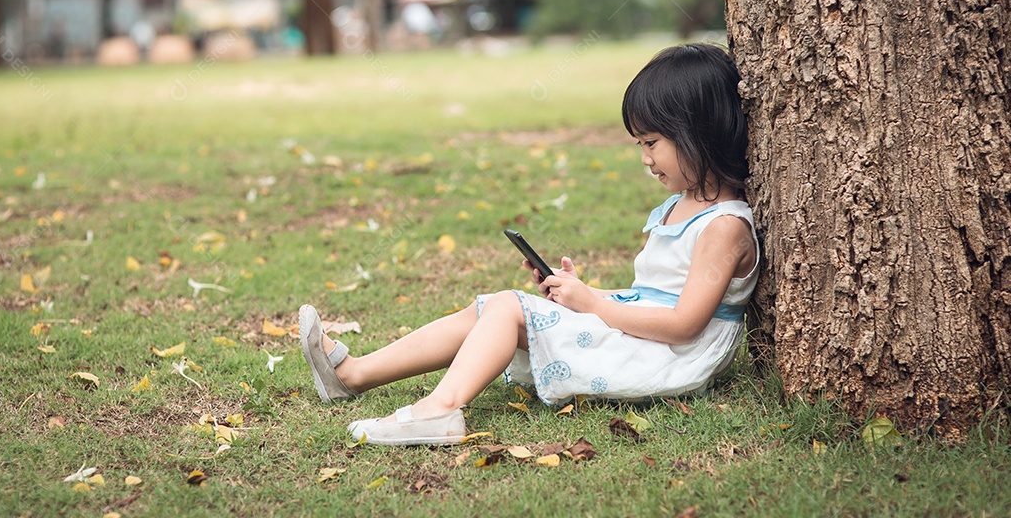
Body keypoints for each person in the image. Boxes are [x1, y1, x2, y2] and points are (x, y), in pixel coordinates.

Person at [299, 43, 759, 446]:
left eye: (652, 142)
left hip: (672, 358)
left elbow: (683, 324)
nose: (644, 158)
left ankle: (440, 409)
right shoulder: (684, 205)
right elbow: (657, 296)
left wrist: (591, 305)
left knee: (509, 309)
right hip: (647, 336)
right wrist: (585, 295)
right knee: (494, 305)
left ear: (698, 132)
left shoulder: (724, 226)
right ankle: (354, 375)